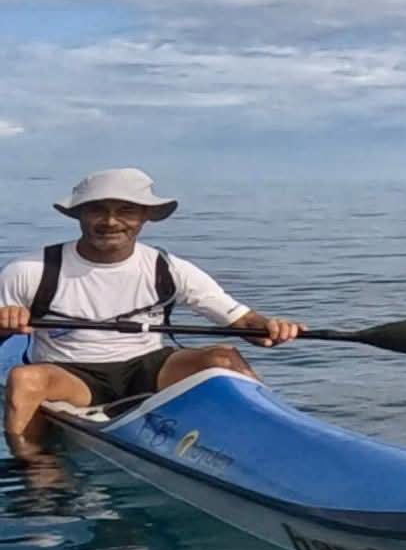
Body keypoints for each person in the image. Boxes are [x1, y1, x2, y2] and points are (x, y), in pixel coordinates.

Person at [1, 169, 304, 450]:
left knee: (223, 357)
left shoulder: (169, 268)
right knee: (24, 380)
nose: (110, 221)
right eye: (97, 210)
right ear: (80, 215)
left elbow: (244, 322)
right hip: (71, 376)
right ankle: (35, 473)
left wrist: (272, 327)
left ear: (145, 216)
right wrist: (4, 326)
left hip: (147, 369)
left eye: (126, 211)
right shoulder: (29, 270)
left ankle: (279, 437)